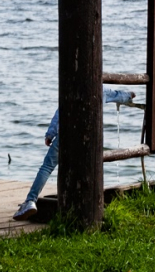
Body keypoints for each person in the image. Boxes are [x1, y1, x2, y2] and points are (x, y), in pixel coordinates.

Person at [13, 88, 136, 220]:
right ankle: (86, 203)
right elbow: (119, 95)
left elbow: (59, 114)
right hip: (88, 137)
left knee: (47, 167)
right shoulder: (100, 91)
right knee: (85, 167)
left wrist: (50, 134)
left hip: (66, 133)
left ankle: (30, 201)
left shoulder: (70, 88)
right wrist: (129, 95)